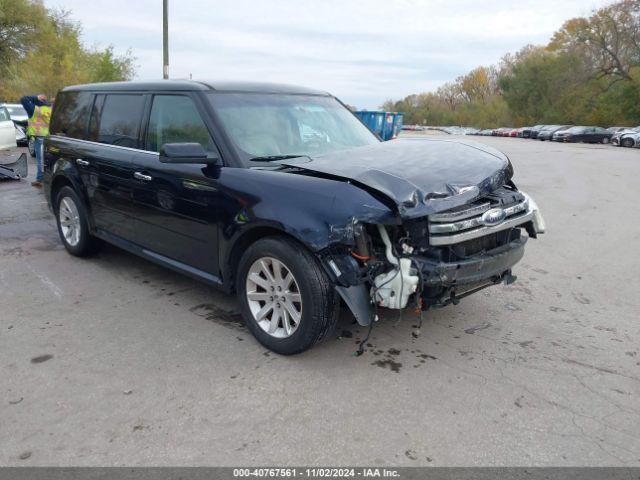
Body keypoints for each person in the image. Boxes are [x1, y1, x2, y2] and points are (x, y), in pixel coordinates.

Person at [20, 94, 52, 188]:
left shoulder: (35, 110)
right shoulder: (49, 109)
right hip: (50, 137)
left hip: (40, 138)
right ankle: (48, 178)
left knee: (40, 160)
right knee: (48, 159)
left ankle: (40, 180)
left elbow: (23, 98)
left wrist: (36, 97)